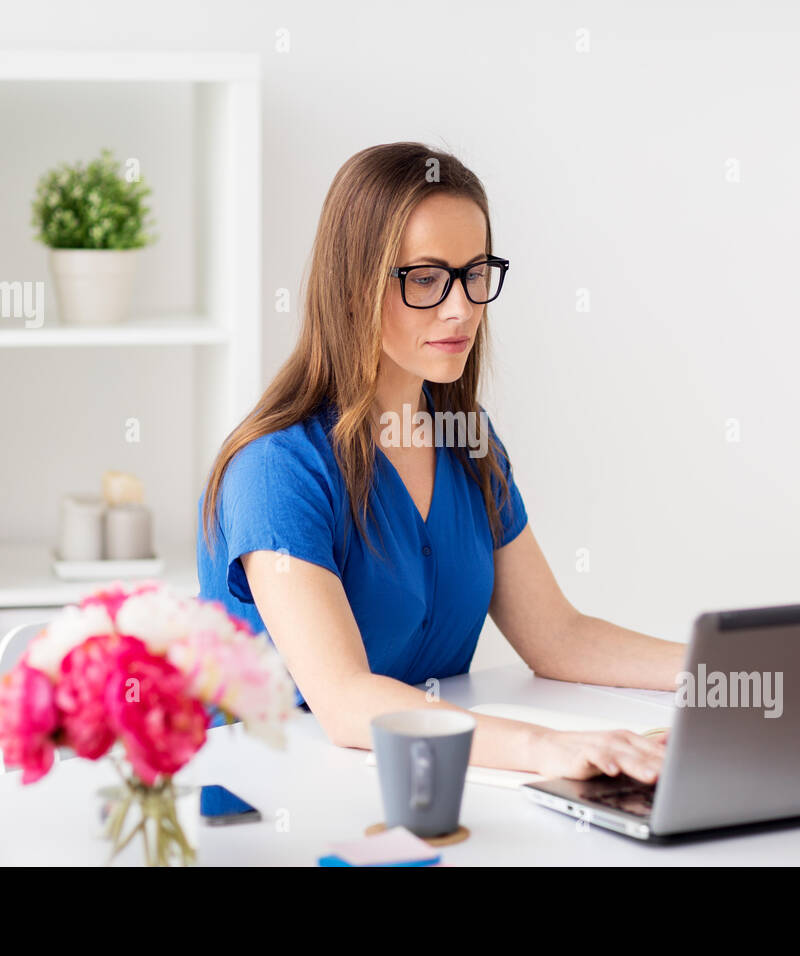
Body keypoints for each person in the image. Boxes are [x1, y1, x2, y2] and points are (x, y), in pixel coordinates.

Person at [198, 142, 684, 783]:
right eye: (425, 279)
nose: (462, 308)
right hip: (277, 797)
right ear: (354, 286)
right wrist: (546, 747)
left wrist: (731, 669)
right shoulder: (276, 469)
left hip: (429, 780)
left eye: (475, 274)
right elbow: (344, 703)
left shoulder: (468, 441)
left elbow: (557, 636)